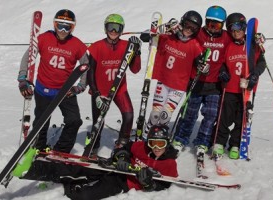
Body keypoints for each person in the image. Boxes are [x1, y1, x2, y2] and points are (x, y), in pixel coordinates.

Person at [14, 124, 178, 200]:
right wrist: (122, 158)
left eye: (161, 144)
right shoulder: (141, 147)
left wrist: (149, 185)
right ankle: (30, 169)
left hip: (122, 183)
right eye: (153, 143)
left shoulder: (170, 164)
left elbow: (166, 186)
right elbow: (124, 148)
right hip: (112, 168)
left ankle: (64, 187)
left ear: (167, 143)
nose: (156, 148)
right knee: (75, 170)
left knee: (86, 195)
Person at [17, 9, 88, 153]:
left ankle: (61, 151)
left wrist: (80, 86)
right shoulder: (43, 38)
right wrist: (22, 79)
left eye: (67, 26)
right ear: (54, 25)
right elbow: (28, 58)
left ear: (72, 28)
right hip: (43, 89)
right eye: (59, 25)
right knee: (41, 123)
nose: (62, 30)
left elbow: (86, 66)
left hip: (65, 91)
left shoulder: (77, 45)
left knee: (74, 121)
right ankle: (39, 148)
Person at [141, 11, 209, 141]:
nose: (189, 30)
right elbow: (145, 36)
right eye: (187, 25)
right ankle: (146, 135)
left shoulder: (195, 46)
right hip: (163, 81)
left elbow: (202, 66)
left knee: (165, 116)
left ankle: (159, 139)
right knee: (155, 114)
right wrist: (164, 27)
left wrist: (204, 68)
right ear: (182, 22)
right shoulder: (169, 36)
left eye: (193, 28)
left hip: (179, 86)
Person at [173, 5, 232, 155]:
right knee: (190, 113)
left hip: (214, 85)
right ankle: (180, 138)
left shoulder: (226, 37)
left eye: (217, 24)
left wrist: (224, 70)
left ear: (223, 24)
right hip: (196, 81)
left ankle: (203, 141)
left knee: (211, 115)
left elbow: (241, 40)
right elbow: (182, 35)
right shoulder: (198, 33)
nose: (212, 28)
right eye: (210, 23)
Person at [212, 13, 266, 159]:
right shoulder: (228, 46)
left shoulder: (252, 47)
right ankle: (219, 143)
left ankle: (235, 144)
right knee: (224, 117)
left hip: (246, 89)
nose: (236, 33)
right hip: (229, 88)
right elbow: (221, 64)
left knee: (241, 118)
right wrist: (223, 72)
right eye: (232, 30)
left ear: (244, 28)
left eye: (239, 29)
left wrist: (255, 74)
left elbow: (262, 63)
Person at [86, 14, 142, 155]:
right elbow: (90, 73)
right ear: (105, 28)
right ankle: (93, 147)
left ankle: (122, 145)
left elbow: (135, 70)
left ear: (122, 30)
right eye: (110, 27)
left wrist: (136, 53)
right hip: (100, 91)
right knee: (98, 121)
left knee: (128, 116)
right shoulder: (97, 47)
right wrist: (96, 94)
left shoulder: (125, 46)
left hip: (119, 89)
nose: (113, 31)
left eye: (117, 28)